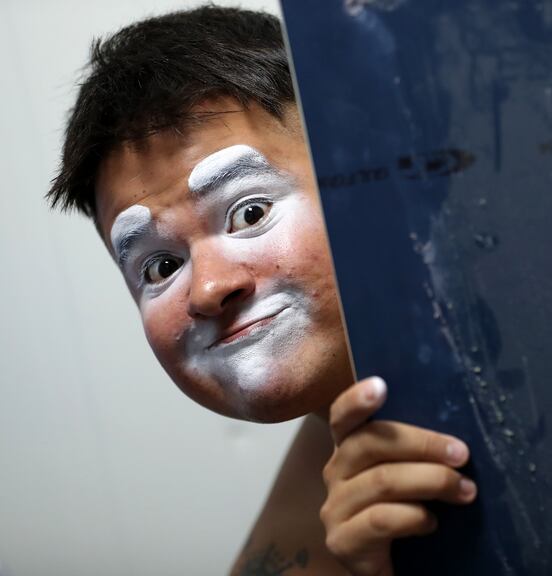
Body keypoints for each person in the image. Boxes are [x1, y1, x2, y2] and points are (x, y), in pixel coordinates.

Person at [48, 6, 477, 575]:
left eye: (250, 212)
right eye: (159, 267)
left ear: (359, 176)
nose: (209, 288)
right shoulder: (312, 505)